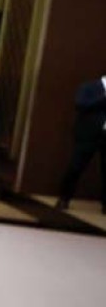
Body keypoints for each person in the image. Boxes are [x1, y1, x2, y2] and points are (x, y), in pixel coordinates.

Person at [56, 74, 106, 213]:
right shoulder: (89, 87)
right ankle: (64, 198)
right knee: (76, 166)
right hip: (88, 134)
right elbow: (81, 104)